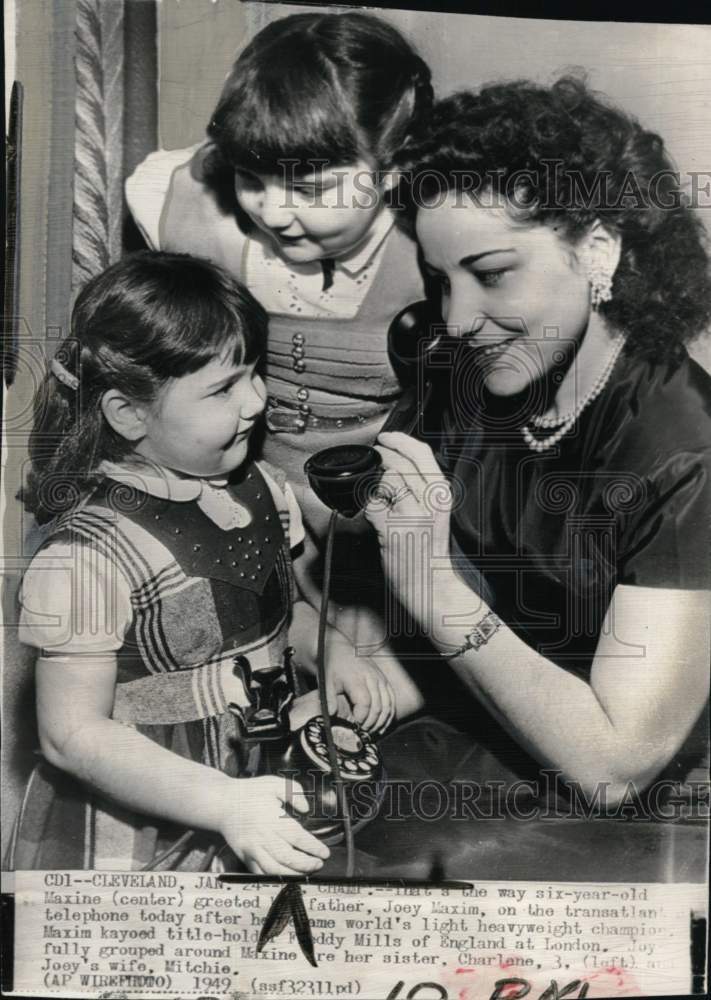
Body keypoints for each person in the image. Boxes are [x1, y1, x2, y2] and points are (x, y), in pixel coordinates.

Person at [366, 76, 711, 806]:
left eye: (491, 274)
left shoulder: (688, 453)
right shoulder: (467, 374)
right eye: (439, 279)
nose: (456, 318)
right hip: (478, 735)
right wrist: (361, 688)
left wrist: (427, 587)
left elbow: (613, 769)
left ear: (597, 253)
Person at [13, 251, 397, 875]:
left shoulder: (264, 488)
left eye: (254, 372)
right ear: (128, 414)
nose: (257, 400)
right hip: (145, 819)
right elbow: (71, 736)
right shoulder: (82, 561)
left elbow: (282, 611)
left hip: (259, 778)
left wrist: (331, 649)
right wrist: (222, 803)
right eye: (223, 388)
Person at [125, 12, 433, 679]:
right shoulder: (179, 199)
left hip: (372, 524)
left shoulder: (437, 245)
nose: (272, 211)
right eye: (252, 177)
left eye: (310, 188)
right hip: (228, 498)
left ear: (392, 169)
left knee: (388, 683)